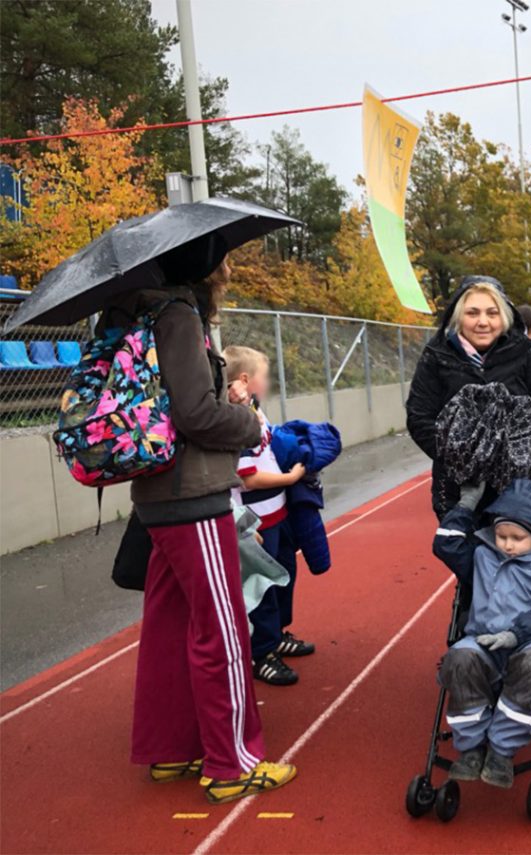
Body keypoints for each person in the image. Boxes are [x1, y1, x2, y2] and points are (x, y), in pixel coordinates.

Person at [106, 242, 296, 804]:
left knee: (168, 628)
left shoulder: (138, 313)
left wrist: (220, 394)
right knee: (225, 630)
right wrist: (247, 421)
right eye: (224, 260)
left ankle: (170, 749)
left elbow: (174, 404)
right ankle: (232, 762)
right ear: (200, 267)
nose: (230, 269)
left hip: (157, 495)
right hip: (193, 495)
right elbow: (194, 415)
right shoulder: (180, 316)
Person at [406, 276, 531, 520]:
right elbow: (420, 418)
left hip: (521, 487)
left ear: (504, 316)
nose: (483, 322)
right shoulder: (436, 356)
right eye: (473, 313)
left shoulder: (525, 351)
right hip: (459, 491)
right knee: (467, 556)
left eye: (492, 313)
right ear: (459, 316)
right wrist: (467, 459)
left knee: (518, 556)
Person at [433, 479, 531, 789]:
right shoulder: (482, 556)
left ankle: (500, 752)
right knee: (458, 660)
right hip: (481, 643)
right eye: (501, 536)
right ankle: (470, 749)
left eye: (517, 538)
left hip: (527, 646)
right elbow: (445, 543)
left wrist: (516, 634)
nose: (507, 544)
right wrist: (466, 505)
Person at [223, 346, 312, 687]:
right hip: (259, 519)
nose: (269, 381)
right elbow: (249, 477)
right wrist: (290, 479)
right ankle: (262, 651)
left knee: (285, 574)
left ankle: (277, 634)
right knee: (263, 585)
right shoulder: (238, 419)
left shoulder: (255, 411)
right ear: (245, 380)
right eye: (265, 376)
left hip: (279, 513)